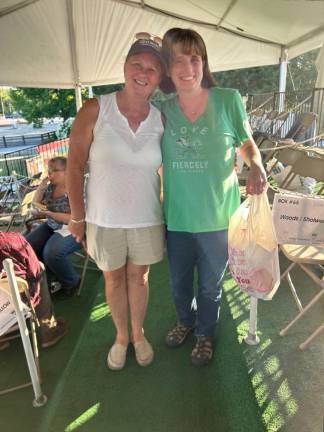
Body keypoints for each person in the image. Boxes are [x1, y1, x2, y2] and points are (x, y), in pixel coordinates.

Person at [159, 28, 267, 366]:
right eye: (178, 60)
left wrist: (257, 165)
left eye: (195, 59)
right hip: (177, 218)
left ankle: (205, 334)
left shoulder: (227, 99)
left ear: (204, 63)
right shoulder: (159, 107)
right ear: (167, 66)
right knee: (178, 283)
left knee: (209, 286)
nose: (188, 68)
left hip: (218, 219)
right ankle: (185, 322)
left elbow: (245, 142)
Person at [67, 35, 165, 370]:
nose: (143, 72)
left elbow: (170, 171)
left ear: (159, 77)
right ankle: (121, 337)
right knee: (113, 279)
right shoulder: (96, 108)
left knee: (138, 278)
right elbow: (75, 165)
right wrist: (78, 217)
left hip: (146, 217)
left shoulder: (161, 119)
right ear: (125, 67)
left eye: (152, 68)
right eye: (137, 64)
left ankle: (138, 335)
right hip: (104, 219)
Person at [0, 232, 67, 350]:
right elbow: (34, 271)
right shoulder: (11, 241)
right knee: (39, 268)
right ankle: (48, 331)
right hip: (12, 304)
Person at [25, 156, 82, 296]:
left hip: (73, 228)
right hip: (52, 224)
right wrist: (41, 188)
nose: (49, 174)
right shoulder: (51, 188)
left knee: (52, 252)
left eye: (53, 171)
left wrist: (49, 213)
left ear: (67, 172)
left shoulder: (77, 189)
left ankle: (72, 282)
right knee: (28, 245)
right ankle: (46, 280)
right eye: (48, 170)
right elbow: (36, 204)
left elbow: (74, 218)